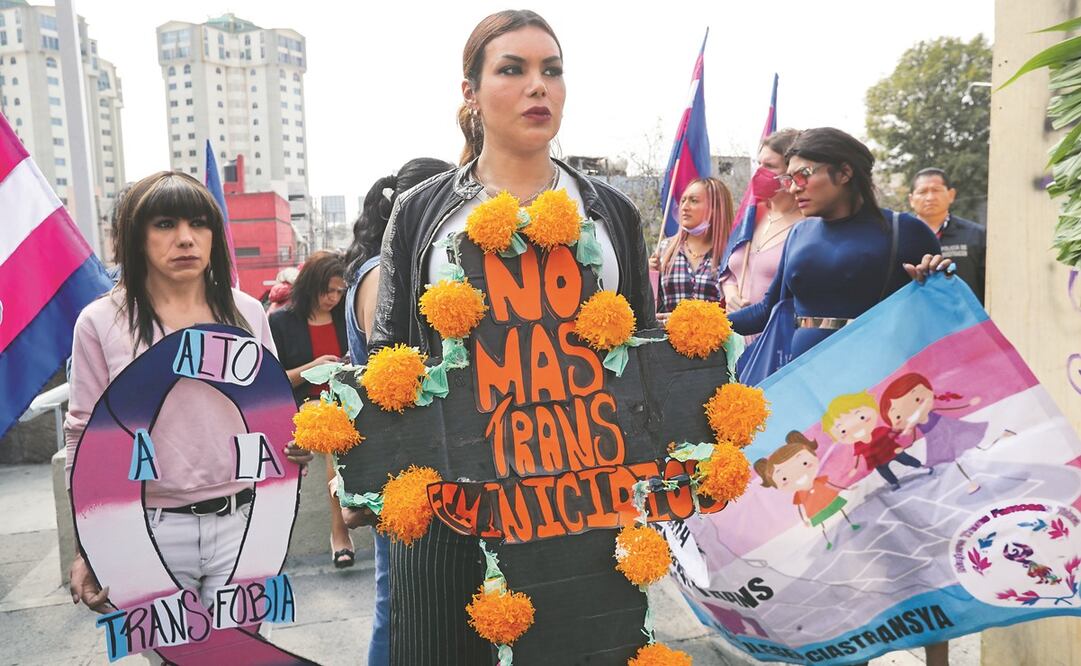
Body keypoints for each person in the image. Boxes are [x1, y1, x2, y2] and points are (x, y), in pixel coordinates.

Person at [368, 10, 654, 664]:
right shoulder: (422, 210)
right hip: (450, 502)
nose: (538, 87)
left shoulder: (609, 211)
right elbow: (391, 350)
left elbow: (642, 353)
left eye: (551, 71)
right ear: (469, 92)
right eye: (513, 70)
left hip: (582, 497)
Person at [64, 171, 310, 619]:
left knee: (243, 656)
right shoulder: (100, 323)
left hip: (246, 522)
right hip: (147, 529)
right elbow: (84, 435)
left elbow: (272, 410)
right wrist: (89, 545)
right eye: (164, 224)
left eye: (199, 224)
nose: (185, 239)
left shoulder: (247, 312)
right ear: (135, 237)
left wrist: (296, 446)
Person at [339, 157, 454, 666]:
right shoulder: (384, 275)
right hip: (400, 465)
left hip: (417, 461)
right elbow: (395, 372)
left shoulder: (396, 270)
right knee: (400, 603)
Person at [729, 127, 952, 363]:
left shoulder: (906, 232)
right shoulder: (798, 234)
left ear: (845, 172)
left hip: (878, 385)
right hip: (802, 382)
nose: (794, 187)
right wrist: (702, 325)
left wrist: (938, 282)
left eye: (803, 175)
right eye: (790, 179)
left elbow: (944, 317)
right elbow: (766, 310)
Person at [267, 251, 352, 568]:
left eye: (339, 290)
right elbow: (274, 381)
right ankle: (339, 533)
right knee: (334, 435)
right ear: (309, 287)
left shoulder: (347, 316)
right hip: (306, 405)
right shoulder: (282, 321)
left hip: (348, 402)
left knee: (338, 427)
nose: (332, 297)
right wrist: (314, 367)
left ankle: (341, 531)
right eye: (326, 290)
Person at [721, 129, 802, 314]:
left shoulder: (808, 224)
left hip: (778, 336)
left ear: (791, 171)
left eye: (770, 165)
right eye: (759, 164)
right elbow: (728, 272)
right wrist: (731, 294)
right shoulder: (751, 217)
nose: (759, 172)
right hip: (736, 336)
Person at [648, 177, 735, 319]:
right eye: (683, 201)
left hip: (718, 339)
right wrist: (649, 277)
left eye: (693, 201)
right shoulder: (664, 249)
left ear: (716, 207)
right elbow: (650, 310)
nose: (684, 207)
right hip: (670, 338)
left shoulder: (732, 254)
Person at [908, 167, 986, 303]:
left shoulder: (977, 235)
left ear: (951, 195)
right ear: (911, 200)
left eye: (936, 190)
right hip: (915, 319)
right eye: (922, 192)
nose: (930, 197)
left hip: (966, 319)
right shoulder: (900, 237)